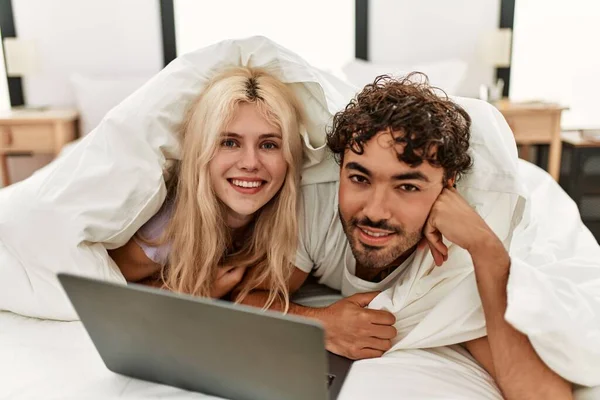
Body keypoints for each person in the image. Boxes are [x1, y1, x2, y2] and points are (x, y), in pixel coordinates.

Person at [238, 73, 573, 399]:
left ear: (448, 185)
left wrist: (486, 249)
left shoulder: (456, 259)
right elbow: (250, 298)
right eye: (360, 179)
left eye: (407, 186)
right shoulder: (318, 205)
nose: (376, 211)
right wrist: (319, 322)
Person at [108, 66, 305, 308]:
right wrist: (194, 294)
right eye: (230, 142)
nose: (250, 163)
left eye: (269, 145)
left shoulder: (303, 215)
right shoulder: (165, 231)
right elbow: (110, 286)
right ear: (202, 152)